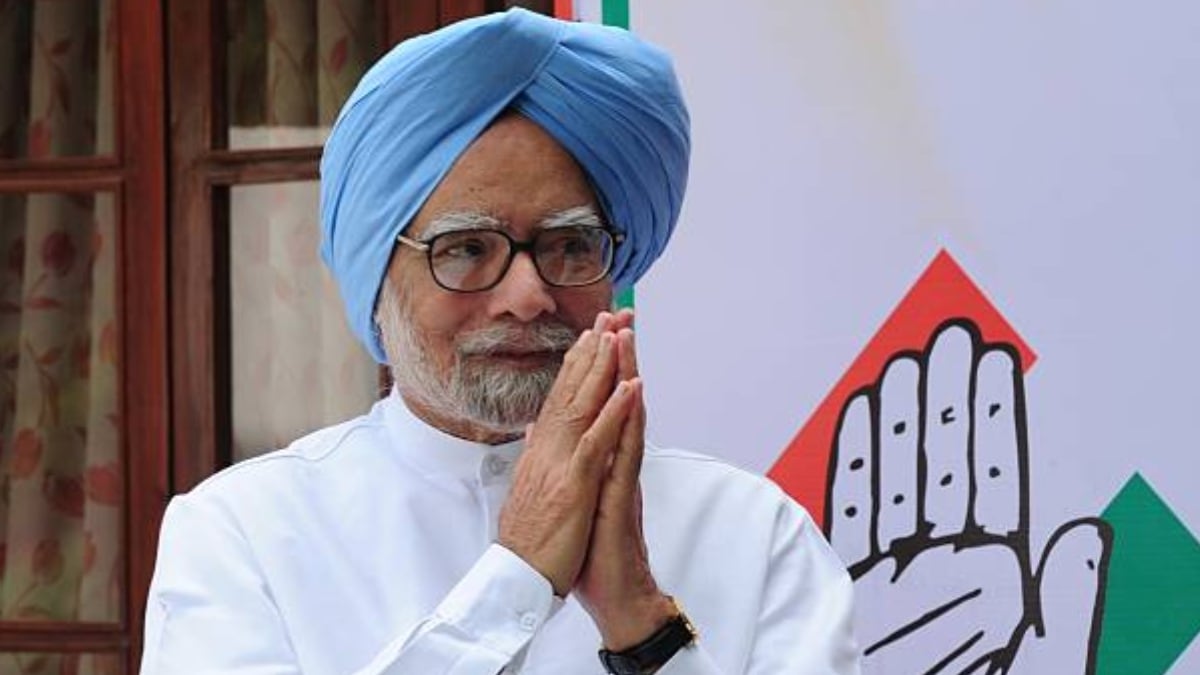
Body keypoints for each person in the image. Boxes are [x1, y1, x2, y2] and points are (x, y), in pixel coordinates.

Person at [140, 8, 859, 675]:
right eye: (466, 249)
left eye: (569, 245)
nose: (527, 296)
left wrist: (643, 627)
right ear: (377, 277)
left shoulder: (752, 530)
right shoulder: (245, 534)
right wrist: (517, 573)